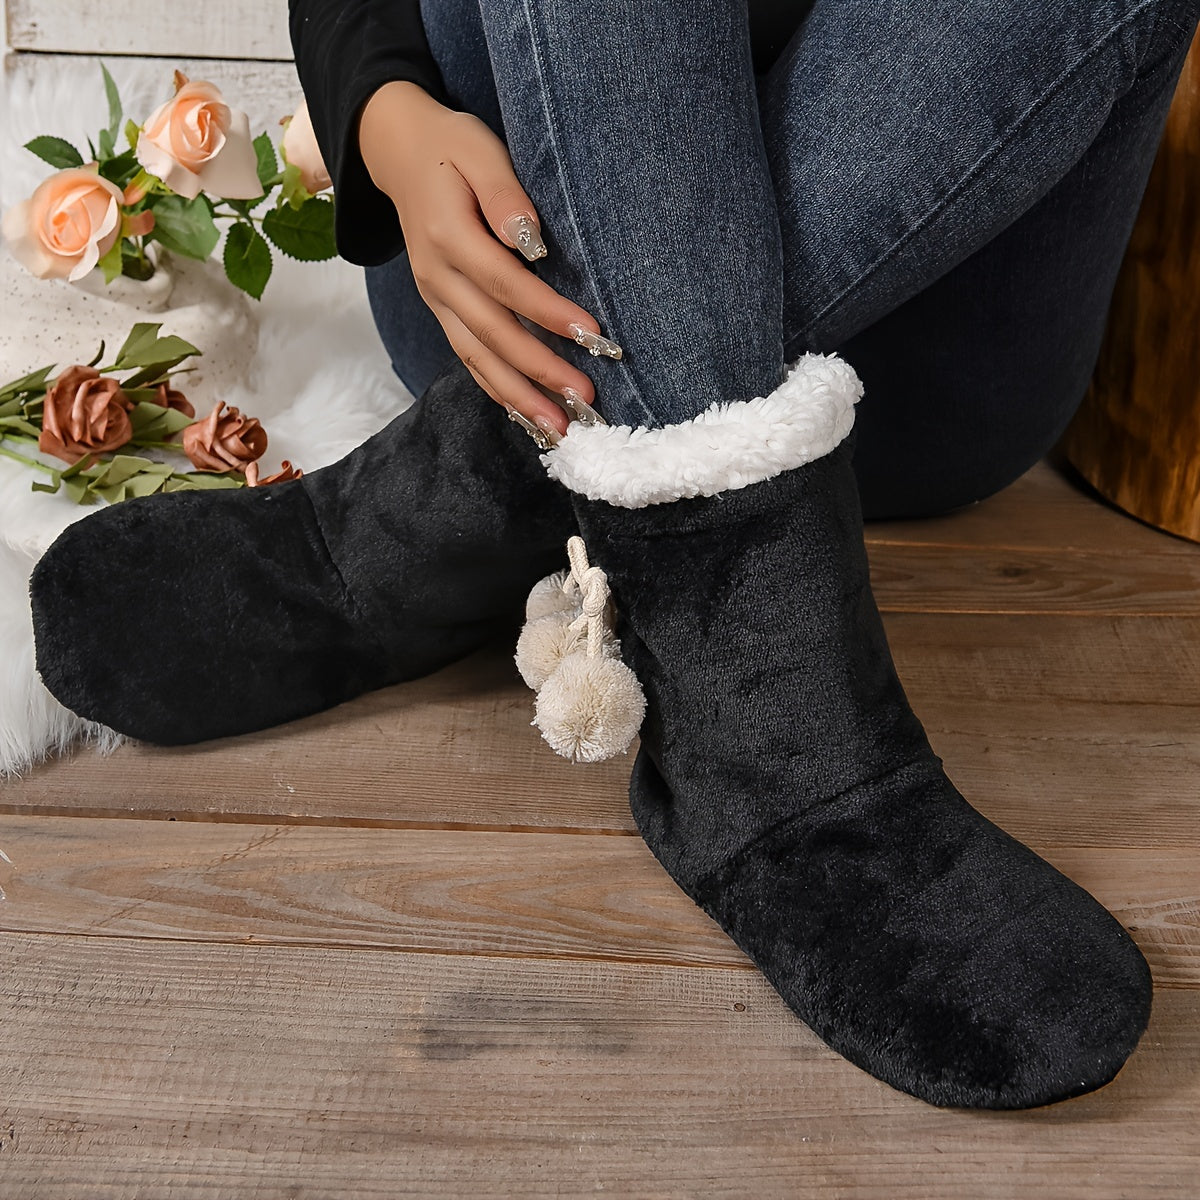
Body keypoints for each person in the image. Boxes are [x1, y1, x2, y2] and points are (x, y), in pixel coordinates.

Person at [30, 0, 1200, 1109]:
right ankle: (767, 739)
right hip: (496, 266)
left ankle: (445, 505)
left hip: (929, 334)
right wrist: (384, 110)